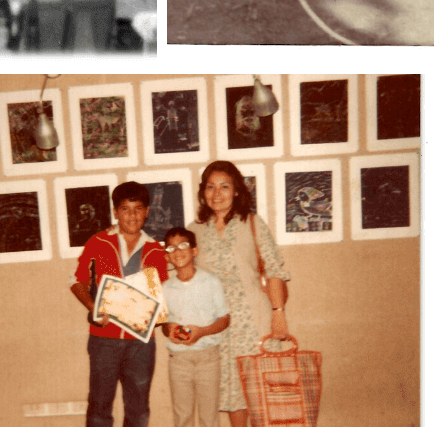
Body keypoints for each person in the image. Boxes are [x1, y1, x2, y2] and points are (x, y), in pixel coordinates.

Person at [190, 161, 291, 427]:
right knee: (234, 394)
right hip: (217, 326)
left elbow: (274, 269)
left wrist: (278, 314)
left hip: (253, 321)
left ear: (236, 191)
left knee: (259, 394)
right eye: (210, 187)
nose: (217, 193)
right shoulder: (195, 230)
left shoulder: (252, 222)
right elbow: (174, 264)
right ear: (203, 192)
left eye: (224, 186)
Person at [70, 182, 169, 427]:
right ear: (116, 212)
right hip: (104, 339)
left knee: (138, 409)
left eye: (138, 209)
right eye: (125, 209)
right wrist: (93, 307)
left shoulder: (156, 250)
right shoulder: (98, 241)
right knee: (99, 406)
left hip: (141, 343)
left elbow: (161, 297)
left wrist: (157, 314)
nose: (132, 215)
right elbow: (78, 282)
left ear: (146, 211)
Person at [161, 227, 230, 427]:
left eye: (183, 245)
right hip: (179, 360)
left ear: (194, 251)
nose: (178, 251)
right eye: (171, 248)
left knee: (209, 418)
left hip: (208, 358)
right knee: (183, 417)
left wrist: (202, 332)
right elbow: (164, 324)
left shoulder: (211, 282)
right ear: (167, 257)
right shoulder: (165, 288)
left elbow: (225, 319)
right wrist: (169, 329)